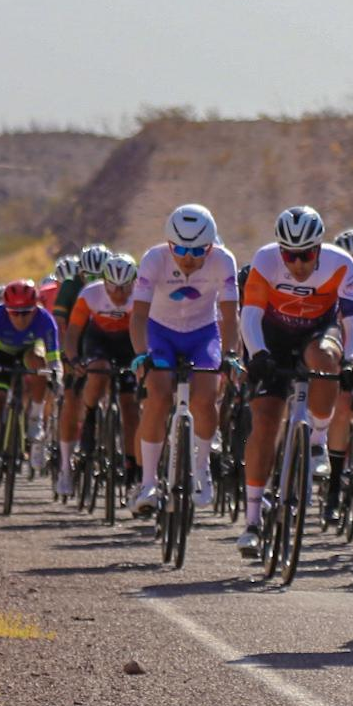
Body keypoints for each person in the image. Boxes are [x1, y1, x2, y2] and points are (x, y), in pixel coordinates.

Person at [236, 206, 353, 554]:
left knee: (325, 360)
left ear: (319, 249)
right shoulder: (264, 261)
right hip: (271, 336)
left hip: (318, 331)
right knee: (264, 421)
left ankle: (318, 441)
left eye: (305, 255)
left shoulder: (342, 264)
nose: (297, 264)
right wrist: (258, 354)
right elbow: (250, 316)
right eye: (289, 255)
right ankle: (251, 519)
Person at [129, 205, 241, 515]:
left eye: (197, 250)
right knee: (159, 396)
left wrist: (230, 355)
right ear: (168, 244)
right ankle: (148, 481)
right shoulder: (153, 259)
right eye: (179, 248)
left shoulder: (223, 260)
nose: (188, 257)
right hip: (160, 332)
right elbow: (138, 315)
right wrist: (141, 354)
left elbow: (231, 318)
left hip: (202, 333)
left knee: (205, 400)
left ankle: (202, 466)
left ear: (211, 245)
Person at [55, 253, 140, 498]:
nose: (119, 294)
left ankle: (132, 463)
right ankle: (90, 414)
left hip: (129, 342)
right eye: (113, 287)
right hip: (98, 341)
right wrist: (73, 358)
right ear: (104, 282)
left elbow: (148, 330)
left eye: (125, 288)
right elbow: (73, 332)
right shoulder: (90, 294)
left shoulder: (142, 294)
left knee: (130, 405)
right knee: (98, 370)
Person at [0, 279, 62, 498]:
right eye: (15, 313)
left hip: (29, 351)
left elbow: (54, 360)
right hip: (0, 355)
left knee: (39, 362)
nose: (20, 318)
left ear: (35, 308)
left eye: (26, 313)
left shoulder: (45, 320)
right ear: (6, 309)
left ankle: (35, 419)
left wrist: (58, 377)